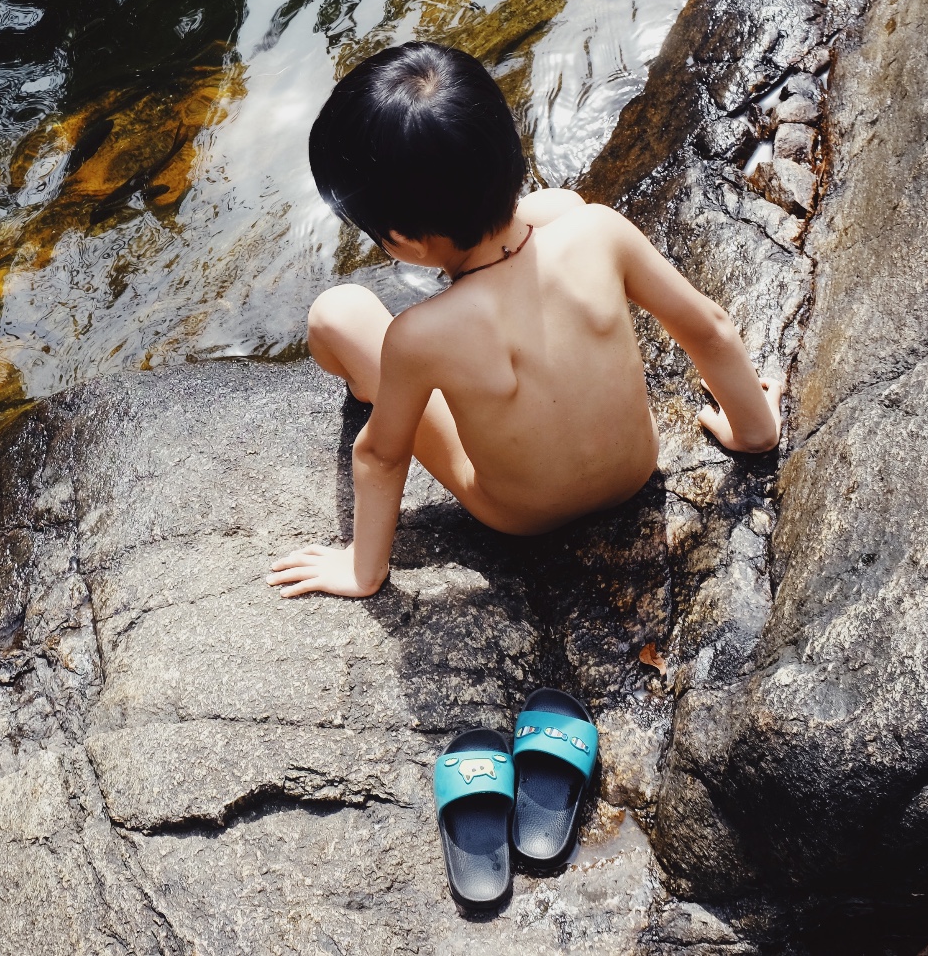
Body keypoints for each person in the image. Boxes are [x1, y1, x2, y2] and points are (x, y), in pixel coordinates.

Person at [268, 41, 782, 600]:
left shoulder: (420, 337)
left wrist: (362, 572)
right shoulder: (599, 231)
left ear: (404, 242)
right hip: (634, 472)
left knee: (336, 315)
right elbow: (710, 328)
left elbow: (380, 455)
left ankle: (374, 383)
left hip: (520, 514)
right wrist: (756, 435)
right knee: (559, 206)